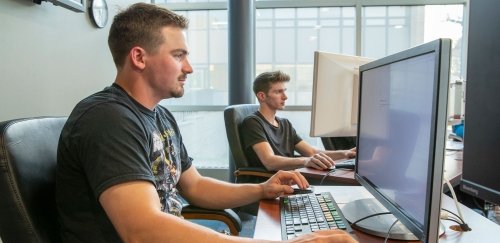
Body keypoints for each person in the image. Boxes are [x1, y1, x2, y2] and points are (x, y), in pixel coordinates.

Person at [55, 3, 357, 243]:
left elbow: (196, 186)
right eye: (178, 55)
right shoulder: (109, 118)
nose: (189, 67)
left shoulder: (159, 116)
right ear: (139, 57)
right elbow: (142, 231)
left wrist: (262, 189)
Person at [240, 71, 356, 172]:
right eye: (278, 92)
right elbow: (269, 161)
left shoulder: (285, 124)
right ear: (262, 96)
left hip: (292, 178)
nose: (285, 97)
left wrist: (345, 154)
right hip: (273, 183)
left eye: (284, 91)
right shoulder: (252, 123)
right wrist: (305, 161)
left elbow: (311, 152)